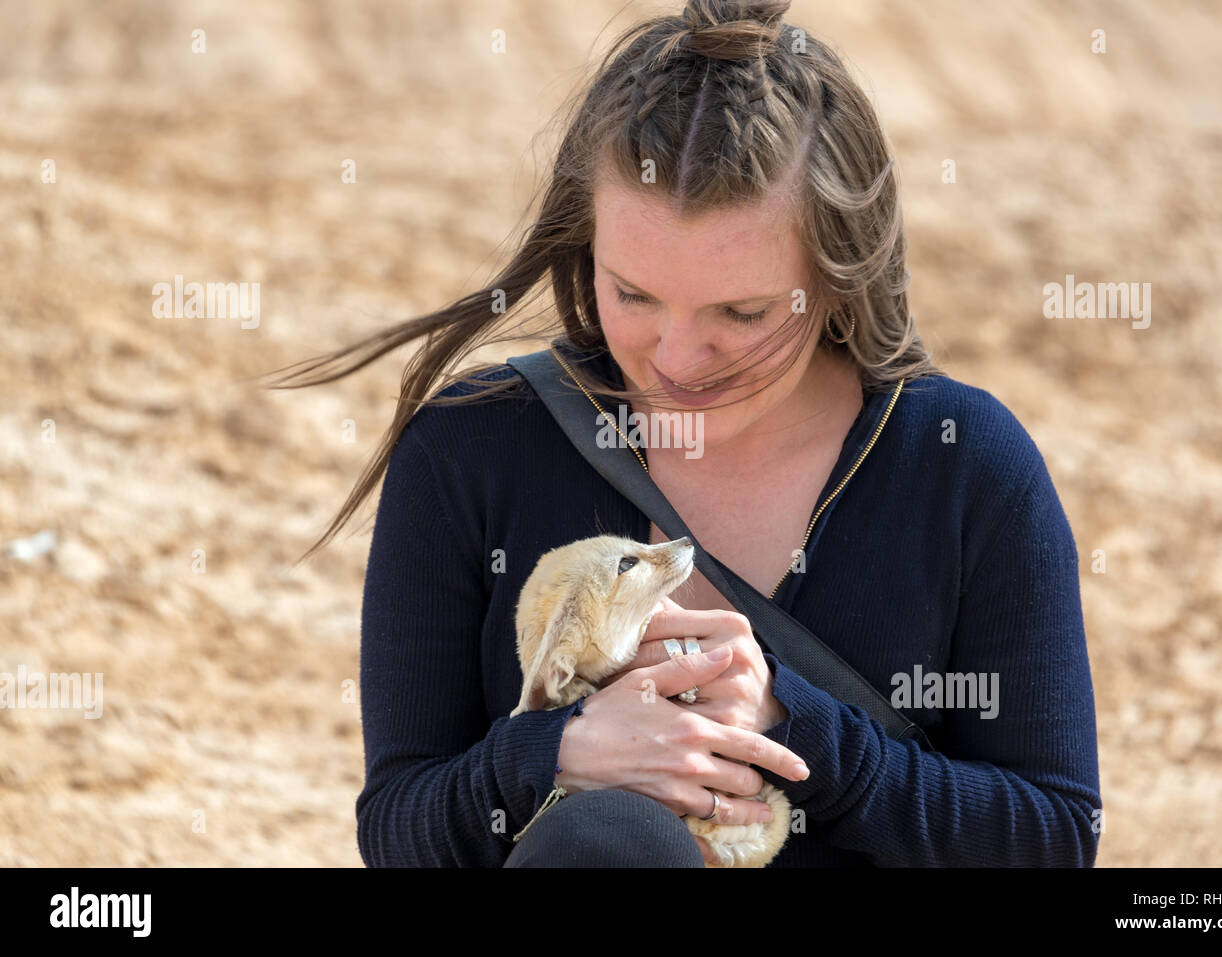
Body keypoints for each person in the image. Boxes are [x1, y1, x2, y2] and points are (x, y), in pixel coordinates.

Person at [266, 0, 1101, 867]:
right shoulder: (469, 448)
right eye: (633, 294)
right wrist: (555, 754)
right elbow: (399, 828)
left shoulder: (967, 464)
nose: (676, 359)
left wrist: (795, 725)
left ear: (839, 276)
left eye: (739, 312)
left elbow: (1054, 836)